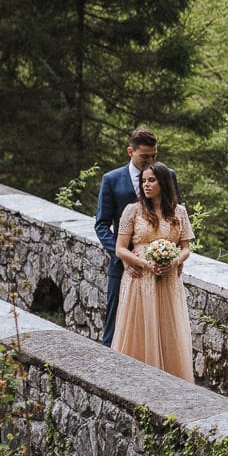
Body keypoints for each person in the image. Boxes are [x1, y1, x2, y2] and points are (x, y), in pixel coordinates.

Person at [110, 162, 195, 380]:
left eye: (152, 180)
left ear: (163, 182)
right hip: (139, 277)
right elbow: (120, 249)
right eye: (144, 181)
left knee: (167, 327)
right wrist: (145, 264)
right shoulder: (133, 210)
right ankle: (133, 377)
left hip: (167, 279)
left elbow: (186, 248)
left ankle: (169, 376)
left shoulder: (179, 212)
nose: (146, 185)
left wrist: (174, 261)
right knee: (138, 326)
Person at [94, 128, 176, 346]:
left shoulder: (168, 176)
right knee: (115, 324)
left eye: (154, 156)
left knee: (160, 326)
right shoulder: (111, 180)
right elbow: (101, 224)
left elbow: (174, 217)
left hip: (160, 267)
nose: (150, 161)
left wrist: (172, 256)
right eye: (145, 156)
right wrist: (125, 256)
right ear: (130, 151)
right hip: (122, 263)